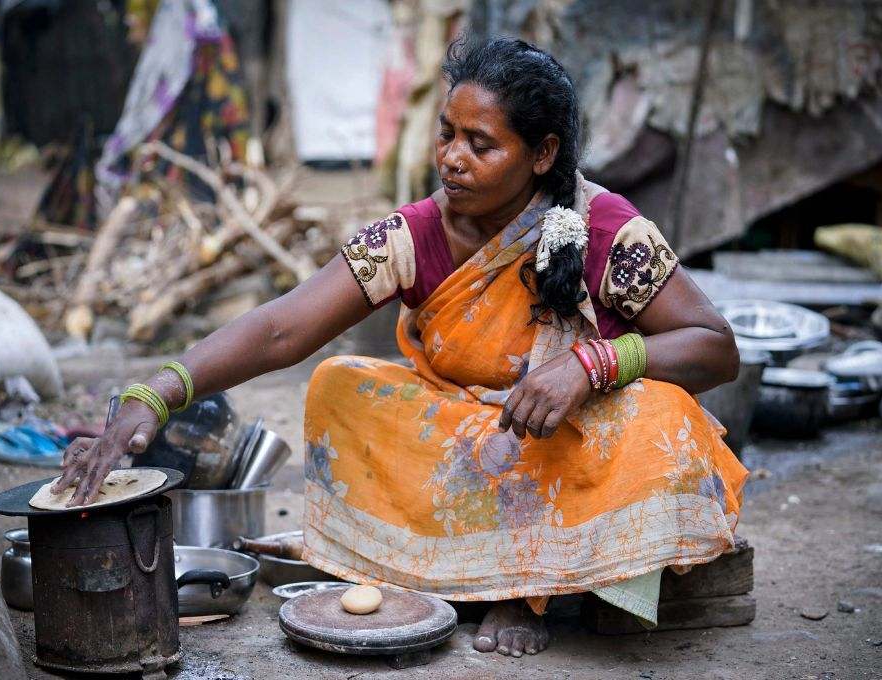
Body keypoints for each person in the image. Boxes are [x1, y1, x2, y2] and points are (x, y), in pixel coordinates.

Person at [56, 37, 748, 658]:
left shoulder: (604, 229)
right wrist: (156, 394)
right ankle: (498, 573)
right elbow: (282, 329)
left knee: (661, 420)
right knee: (342, 387)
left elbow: (716, 348)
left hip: (569, 442)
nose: (451, 158)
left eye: (482, 144)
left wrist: (596, 363)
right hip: (464, 441)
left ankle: (508, 582)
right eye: (447, 134)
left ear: (542, 154)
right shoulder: (414, 236)